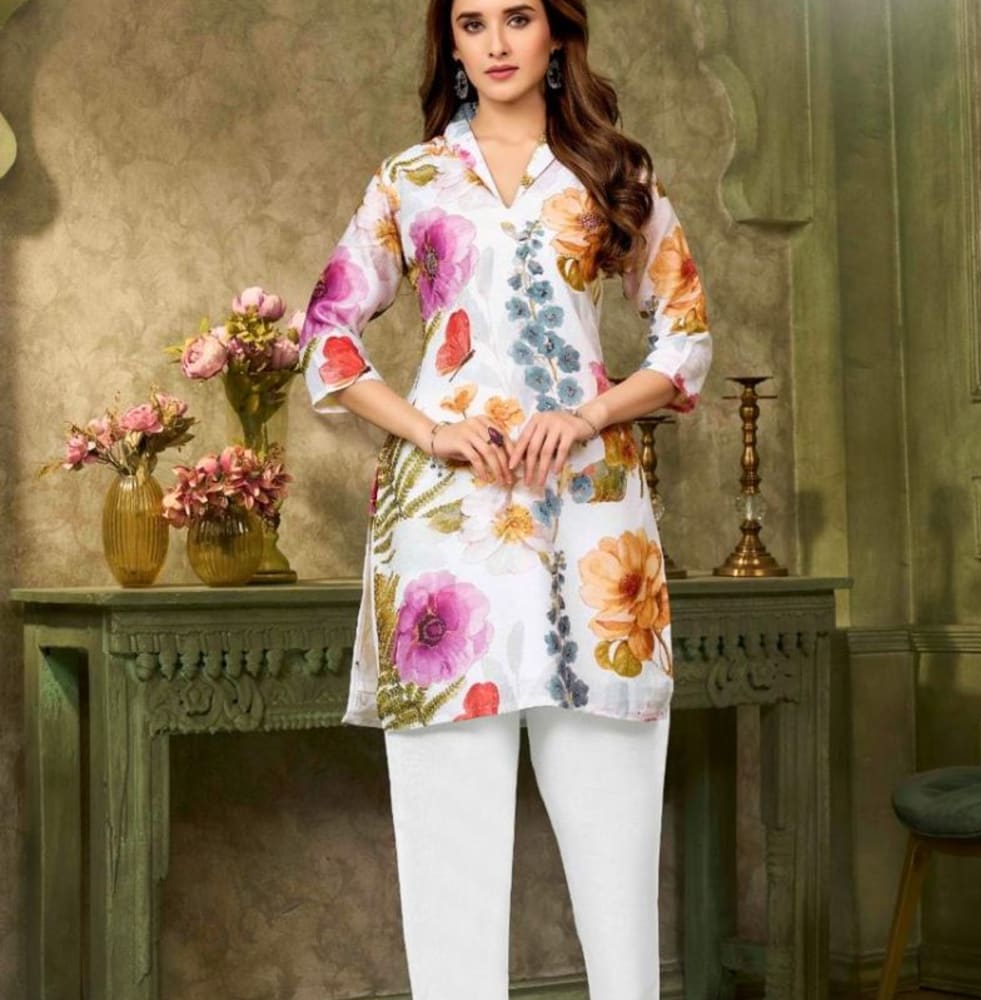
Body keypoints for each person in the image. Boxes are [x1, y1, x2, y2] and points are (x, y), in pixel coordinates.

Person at [298, 1, 713, 996]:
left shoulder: (614, 174)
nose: (493, 42)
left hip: (595, 529)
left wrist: (589, 413)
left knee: (616, 854)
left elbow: (686, 338)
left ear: (555, 34)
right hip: (447, 534)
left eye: (516, 17)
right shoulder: (410, 179)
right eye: (471, 22)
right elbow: (328, 335)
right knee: (449, 861)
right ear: (449, 41)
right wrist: (430, 429)